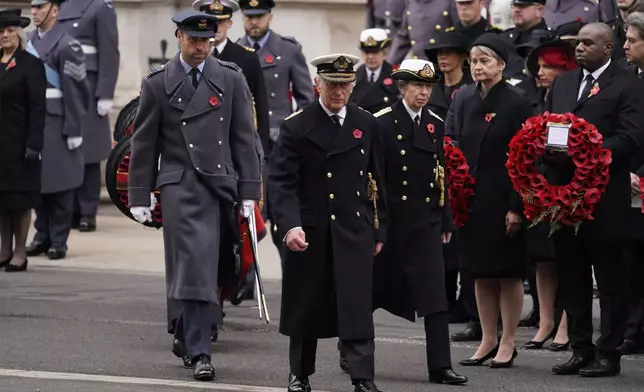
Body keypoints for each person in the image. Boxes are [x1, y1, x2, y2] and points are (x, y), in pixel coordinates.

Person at [127, 10, 261, 381]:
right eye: (195, 39)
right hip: (180, 184)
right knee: (196, 267)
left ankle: (186, 332)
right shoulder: (157, 83)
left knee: (216, 266)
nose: (202, 46)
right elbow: (144, 142)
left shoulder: (231, 79)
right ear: (179, 37)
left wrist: (250, 191)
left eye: (208, 39)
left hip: (220, 184)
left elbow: (243, 140)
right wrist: (139, 195)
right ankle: (203, 352)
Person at [268, 53, 387, 392]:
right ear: (317, 84)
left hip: (354, 228)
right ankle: (299, 374)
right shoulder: (296, 126)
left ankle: (363, 377)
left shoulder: (367, 124)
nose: (339, 93)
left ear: (353, 86)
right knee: (306, 304)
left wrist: (380, 228)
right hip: (311, 228)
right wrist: (290, 226)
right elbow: (281, 184)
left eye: (345, 85)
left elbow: (378, 181)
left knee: (356, 306)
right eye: (332, 85)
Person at [544, 22, 644, 377]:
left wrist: (587, 151)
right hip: (564, 194)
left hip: (604, 197)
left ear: (608, 48)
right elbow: (550, 126)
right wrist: (549, 150)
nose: (580, 48)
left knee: (610, 278)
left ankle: (609, 351)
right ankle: (581, 348)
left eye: (588, 43)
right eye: (578, 43)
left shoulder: (628, 84)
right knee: (572, 276)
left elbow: (631, 137)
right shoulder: (565, 81)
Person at [371, 58, 468, 386]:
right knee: (370, 292)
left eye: (428, 86)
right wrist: (376, 226)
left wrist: (445, 221)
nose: (423, 92)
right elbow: (374, 179)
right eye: (416, 86)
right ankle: (353, 349)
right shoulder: (381, 123)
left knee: (435, 296)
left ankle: (440, 365)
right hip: (391, 222)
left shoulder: (435, 123)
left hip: (424, 222)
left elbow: (440, 176)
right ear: (402, 87)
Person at [446, 33, 532, 368]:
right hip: (472, 199)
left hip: (503, 197)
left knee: (507, 272)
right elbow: (452, 142)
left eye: (485, 61)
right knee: (479, 273)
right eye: (474, 61)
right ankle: (487, 339)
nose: (478, 67)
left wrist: (516, 205)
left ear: (500, 64)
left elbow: (524, 157)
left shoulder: (516, 101)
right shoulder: (464, 97)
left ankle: (508, 341)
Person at [236, 0, 315, 276]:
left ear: (270, 17)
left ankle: (292, 273)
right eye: (249, 16)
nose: (254, 22)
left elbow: (306, 100)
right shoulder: (234, 51)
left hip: (278, 146)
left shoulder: (288, 50)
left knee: (281, 215)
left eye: (259, 16)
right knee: (245, 216)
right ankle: (243, 278)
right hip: (245, 145)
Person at [518, 25, 581, 351]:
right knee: (542, 258)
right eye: (539, 67)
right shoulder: (535, 96)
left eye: (548, 67)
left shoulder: (574, 94)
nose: (540, 73)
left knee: (566, 258)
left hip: (566, 182)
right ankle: (544, 321)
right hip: (540, 184)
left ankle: (566, 323)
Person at [25, 0, 90, 261]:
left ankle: (59, 238)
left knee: (61, 184)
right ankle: (42, 234)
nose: (34, 11)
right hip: (33, 121)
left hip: (58, 121)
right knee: (38, 182)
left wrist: (74, 128)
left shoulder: (68, 44)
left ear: (54, 9)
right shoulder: (28, 41)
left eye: (40, 7)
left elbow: (76, 91)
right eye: (32, 6)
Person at [56, 0, 119, 232]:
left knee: (89, 152)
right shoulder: (61, 6)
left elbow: (110, 50)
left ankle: (87, 210)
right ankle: (70, 209)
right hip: (64, 84)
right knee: (67, 150)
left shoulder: (100, 7)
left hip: (89, 86)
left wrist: (105, 92)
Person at [0, 9, 46, 272]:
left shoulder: (30, 64)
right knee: (1, 201)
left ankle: (20, 251)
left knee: (20, 200)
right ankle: (4, 249)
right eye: (1, 32)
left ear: (19, 35)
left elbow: (38, 108)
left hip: (21, 145)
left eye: (10, 31)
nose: (5, 36)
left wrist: (34, 144)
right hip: (0, 147)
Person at [621, 11, 644, 354]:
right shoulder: (628, 78)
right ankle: (634, 330)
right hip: (630, 181)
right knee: (633, 259)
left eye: (631, 40)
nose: (625, 45)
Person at [386, 0, 460, 64]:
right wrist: (388, 66)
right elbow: (403, 37)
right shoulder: (412, 2)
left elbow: (461, 32)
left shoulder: (449, 2)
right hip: (419, 66)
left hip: (443, 65)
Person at [349, 28, 399, 114]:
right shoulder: (353, 77)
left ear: (384, 53)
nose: (370, 57)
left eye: (375, 52)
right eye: (367, 52)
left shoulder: (396, 77)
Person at [500, 0, 550, 82]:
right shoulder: (502, 38)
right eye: (514, 5)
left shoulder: (549, 40)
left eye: (522, 6)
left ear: (539, 10)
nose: (516, 10)